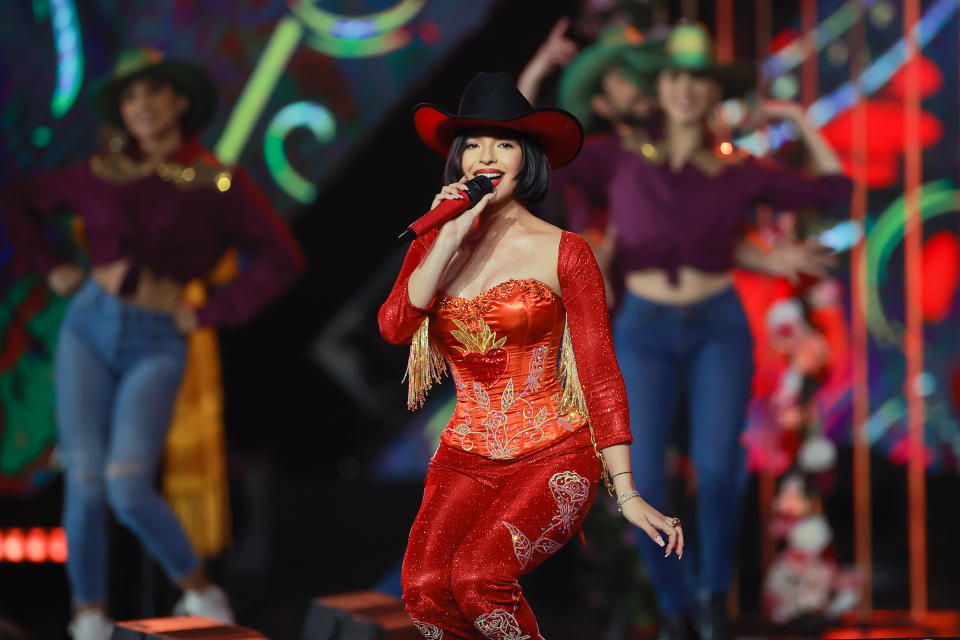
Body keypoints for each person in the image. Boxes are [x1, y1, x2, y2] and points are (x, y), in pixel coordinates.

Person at [544, 24, 853, 640]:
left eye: (699, 80)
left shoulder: (735, 170)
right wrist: (537, 73)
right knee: (642, 481)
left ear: (713, 94)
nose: (686, 89)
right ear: (658, 87)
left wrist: (798, 117)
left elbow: (834, 186)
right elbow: (540, 156)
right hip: (644, 328)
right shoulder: (620, 156)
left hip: (717, 326)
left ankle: (712, 596)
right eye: (676, 77)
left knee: (717, 469)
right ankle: (675, 605)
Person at [0, 48, 305, 640]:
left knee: (126, 484)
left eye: (152, 93)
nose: (140, 107)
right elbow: (17, 202)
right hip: (89, 328)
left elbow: (280, 258)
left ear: (180, 102)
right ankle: (86, 613)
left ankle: (198, 587)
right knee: (84, 482)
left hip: (157, 339)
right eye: (130, 98)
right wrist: (52, 267)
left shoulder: (218, 183)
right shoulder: (102, 173)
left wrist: (212, 310)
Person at [378, 72, 682, 639]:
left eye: (503, 143)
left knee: (476, 578)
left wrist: (628, 490)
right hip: (465, 455)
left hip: (553, 452)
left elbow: (599, 370)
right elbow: (395, 327)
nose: (485, 156)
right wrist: (445, 238)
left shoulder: (565, 251)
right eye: (472, 144)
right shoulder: (435, 244)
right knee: (423, 591)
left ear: (528, 159)